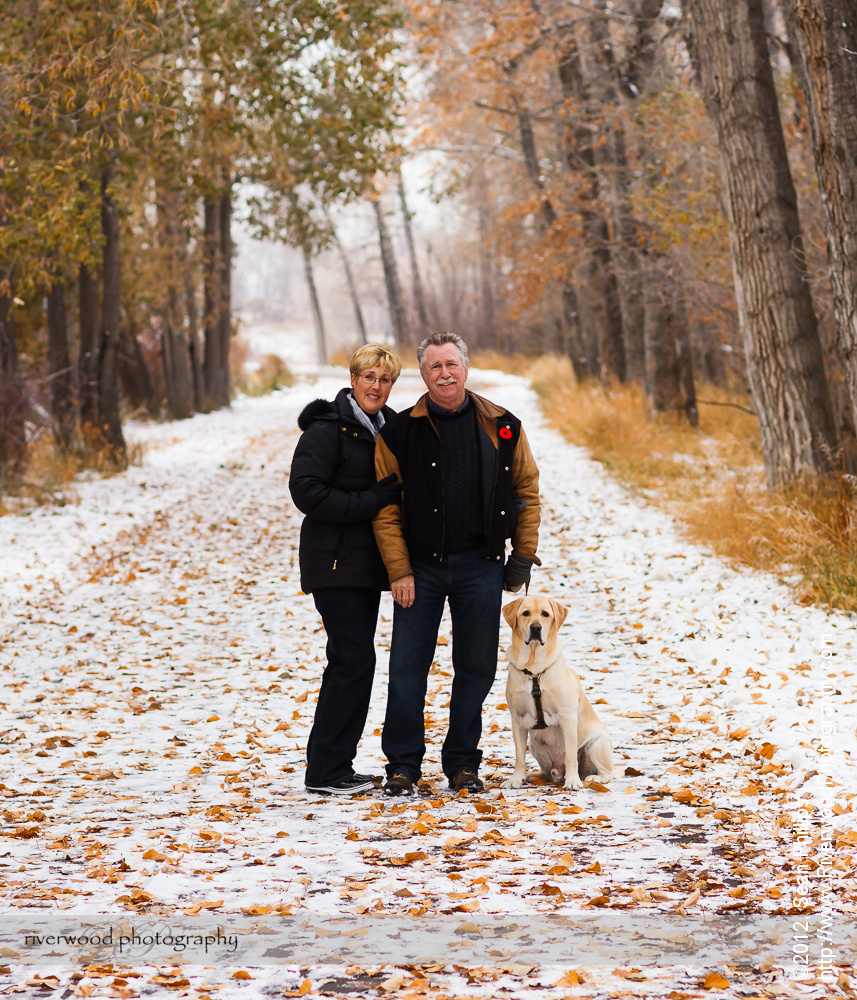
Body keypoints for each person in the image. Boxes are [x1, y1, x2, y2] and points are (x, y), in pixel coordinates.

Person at [373, 332, 540, 796]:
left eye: (451, 364)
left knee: (476, 667)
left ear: (466, 368)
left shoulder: (504, 426)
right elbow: (385, 510)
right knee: (407, 668)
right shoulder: (400, 432)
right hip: (419, 570)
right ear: (423, 375)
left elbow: (527, 493)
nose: (444, 373)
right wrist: (398, 569)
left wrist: (522, 557)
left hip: (480, 565)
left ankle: (463, 764)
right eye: (433, 367)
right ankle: (403, 767)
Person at [289, 343, 403, 795]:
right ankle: (326, 771)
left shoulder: (388, 428)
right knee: (353, 662)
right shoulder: (326, 430)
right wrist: (371, 501)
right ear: (353, 379)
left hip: (364, 568)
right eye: (369, 377)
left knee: (350, 663)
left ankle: (332, 767)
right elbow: (307, 493)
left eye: (385, 380)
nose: (377, 386)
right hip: (333, 563)